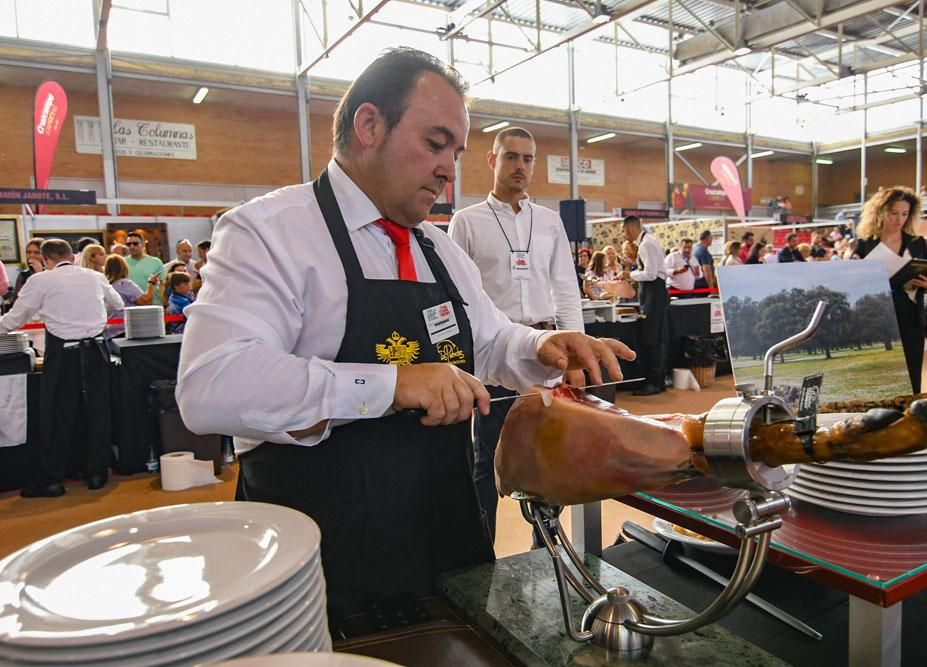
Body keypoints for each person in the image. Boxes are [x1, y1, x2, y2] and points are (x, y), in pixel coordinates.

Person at [175, 48, 633, 630]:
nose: (449, 170)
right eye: (435, 143)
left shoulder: (436, 247)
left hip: (441, 543)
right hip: (323, 563)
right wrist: (391, 383)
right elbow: (212, 385)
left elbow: (488, 339)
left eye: (457, 153)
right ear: (369, 126)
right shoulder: (269, 232)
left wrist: (542, 348)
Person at [448, 125, 586, 543]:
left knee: (547, 459)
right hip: (493, 357)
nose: (520, 166)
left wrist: (576, 356)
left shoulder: (548, 222)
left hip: (546, 354)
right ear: (492, 160)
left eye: (528, 159)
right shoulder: (466, 222)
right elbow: (459, 299)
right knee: (485, 461)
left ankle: (545, 552)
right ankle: (479, 553)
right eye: (511, 156)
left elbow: (565, 287)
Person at [0, 239, 123, 497]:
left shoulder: (41, 281)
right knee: (98, 412)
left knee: (58, 415)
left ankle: (52, 480)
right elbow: (117, 305)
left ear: (46, 261)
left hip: (64, 354)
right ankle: (97, 473)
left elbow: (14, 318)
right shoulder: (94, 276)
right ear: (72, 256)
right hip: (97, 350)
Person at [855, 186, 927, 393]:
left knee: (912, 373)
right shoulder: (865, 243)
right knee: (879, 373)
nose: (899, 219)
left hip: (909, 313)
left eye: (904, 214)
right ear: (880, 212)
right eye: (894, 213)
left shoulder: (917, 243)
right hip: (877, 313)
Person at [618, 215, 668, 396]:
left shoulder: (646, 244)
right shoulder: (648, 241)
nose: (623, 234)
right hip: (654, 294)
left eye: (623, 230)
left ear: (631, 227)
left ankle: (654, 382)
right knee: (655, 340)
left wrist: (629, 275)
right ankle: (658, 381)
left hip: (654, 294)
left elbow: (651, 274)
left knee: (651, 340)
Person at [104, 254, 155, 338]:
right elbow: (145, 301)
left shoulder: (107, 286)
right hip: (126, 329)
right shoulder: (124, 284)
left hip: (110, 330)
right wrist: (151, 283)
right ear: (124, 267)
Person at [124, 231, 166, 305]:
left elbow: (163, 285)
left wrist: (165, 303)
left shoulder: (155, 262)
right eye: (128, 244)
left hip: (154, 304)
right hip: (131, 306)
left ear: (143, 245)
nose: (132, 246)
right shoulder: (122, 262)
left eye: (135, 244)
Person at [13, 237, 45, 303]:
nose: (31, 255)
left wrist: (39, 273)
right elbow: (17, 299)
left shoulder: (52, 272)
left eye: (36, 252)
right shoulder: (24, 274)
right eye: (29, 252)